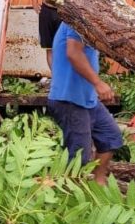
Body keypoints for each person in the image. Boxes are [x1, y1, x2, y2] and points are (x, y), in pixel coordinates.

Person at [47, 22, 122, 185]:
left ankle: (97, 184)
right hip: (68, 99)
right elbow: (73, 53)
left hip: (86, 99)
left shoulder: (91, 20)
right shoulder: (77, 19)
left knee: (110, 137)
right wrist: (98, 83)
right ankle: (70, 197)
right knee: (78, 156)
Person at [28, 0, 68, 71]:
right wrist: (34, 3)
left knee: (66, 47)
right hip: (47, 10)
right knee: (50, 48)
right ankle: (57, 78)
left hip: (66, 11)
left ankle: (66, 78)